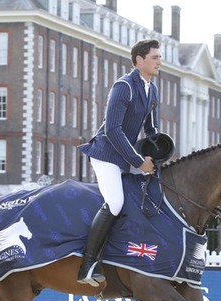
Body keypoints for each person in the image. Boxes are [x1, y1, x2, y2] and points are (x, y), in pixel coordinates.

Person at [77, 39, 162, 286]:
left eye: (159, 57)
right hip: (105, 154)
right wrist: (138, 161)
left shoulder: (152, 89)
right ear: (139, 60)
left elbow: (151, 130)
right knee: (115, 202)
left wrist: (159, 154)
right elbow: (113, 130)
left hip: (125, 157)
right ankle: (87, 265)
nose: (160, 61)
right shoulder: (123, 86)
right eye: (155, 57)